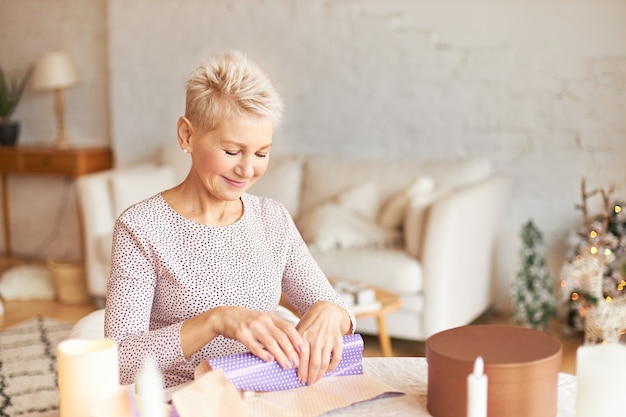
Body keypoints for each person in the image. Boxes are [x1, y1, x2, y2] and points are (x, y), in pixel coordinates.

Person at [104, 51, 355, 389]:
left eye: (262, 153)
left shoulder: (273, 219)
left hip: (267, 394)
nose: (247, 169)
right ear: (186, 135)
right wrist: (216, 320)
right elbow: (119, 361)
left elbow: (338, 312)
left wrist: (329, 312)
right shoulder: (141, 227)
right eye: (232, 151)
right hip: (183, 400)